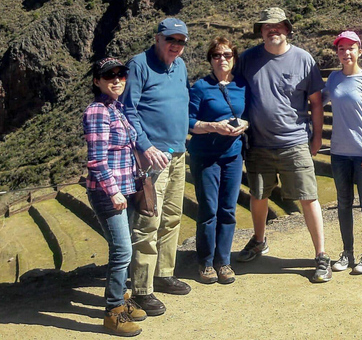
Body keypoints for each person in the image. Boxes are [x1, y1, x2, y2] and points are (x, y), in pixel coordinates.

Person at [235, 7, 330, 283]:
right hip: (259, 144)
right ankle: (259, 240)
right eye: (266, 26)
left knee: (308, 197)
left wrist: (316, 137)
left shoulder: (303, 59)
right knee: (258, 195)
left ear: (287, 29)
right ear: (261, 31)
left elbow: (315, 103)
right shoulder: (248, 59)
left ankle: (321, 255)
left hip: (295, 141)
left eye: (277, 26)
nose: (272, 30)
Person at [122, 18, 191, 316]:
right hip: (151, 159)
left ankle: (163, 273)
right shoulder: (138, 65)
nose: (175, 46)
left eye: (180, 41)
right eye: (170, 40)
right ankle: (141, 289)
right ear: (157, 38)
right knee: (148, 220)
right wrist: (146, 146)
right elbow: (128, 109)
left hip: (178, 153)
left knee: (173, 217)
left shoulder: (181, 65)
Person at [84, 57, 145, 336]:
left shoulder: (116, 108)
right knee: (122, 251)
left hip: (126, 190)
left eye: (121, 74)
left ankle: (121, 299)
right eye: (109, 76)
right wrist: (114, 191)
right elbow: (96, 161)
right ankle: (113, 313)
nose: (117, 80)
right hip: (110, 193)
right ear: (97, 81)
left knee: (125, 248)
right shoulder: (98, 111)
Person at [188, 36, 249, 284]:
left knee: (228, 209)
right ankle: (205, 262)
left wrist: (243, 124)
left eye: (226, 55)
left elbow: (249, 114)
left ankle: (223, 262)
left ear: (233, 58)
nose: (222, 59)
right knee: (208, 210)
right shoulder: (200, 87)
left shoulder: (242, 85)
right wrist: (213, 126)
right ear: (210, 60)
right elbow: (189, 122)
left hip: (232, 155)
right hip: (205, 156)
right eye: (216, 55)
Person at [323, 31, 362, 275]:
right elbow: (319, 101)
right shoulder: (334, 79)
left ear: (359, 50)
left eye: (350, 48)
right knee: (343, 203)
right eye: (341, 49)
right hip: (338, 152)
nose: (346, 53)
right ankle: (347, 253)